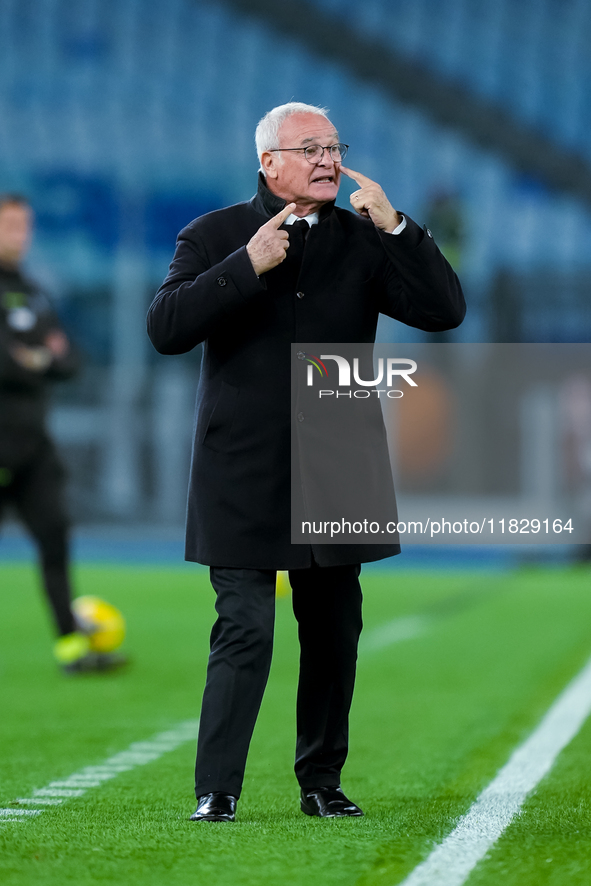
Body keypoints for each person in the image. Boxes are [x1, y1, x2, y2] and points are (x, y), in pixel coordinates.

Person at [147, 102, 465, 821]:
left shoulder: (364, 239)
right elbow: (165, 328)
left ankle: (320, 783)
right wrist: (244, 267)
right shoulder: (215, 235)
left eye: (334, 146)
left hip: (337, 466)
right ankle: (217, 790)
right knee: (245, 627)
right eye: (309, 148)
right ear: (268, 163)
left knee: (331, 629)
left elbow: (443, 310)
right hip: (242, 468)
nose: (327, 159)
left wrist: (396, 228)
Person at [0, 195, 122, 673]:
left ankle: (72, 648)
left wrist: (36, 358)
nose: (20, 233)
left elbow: (70, 360)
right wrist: (39, 357)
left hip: (32, 444)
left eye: (24, 224)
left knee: (56, 536)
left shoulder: (33, 289)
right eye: (10, 224)